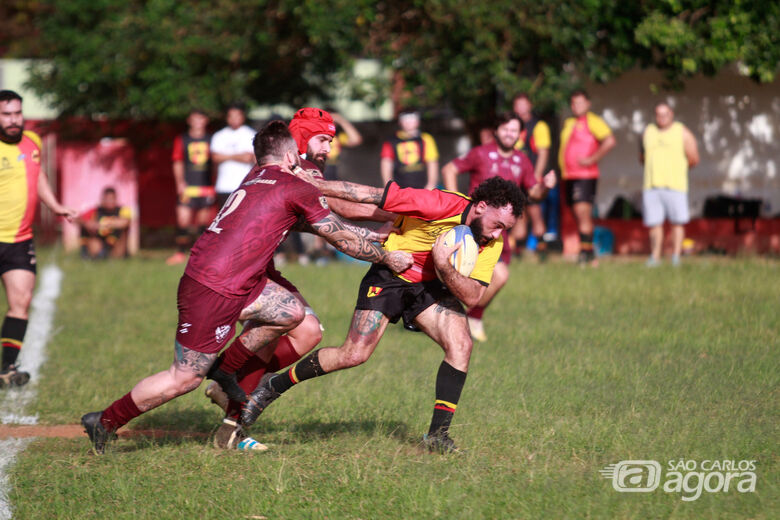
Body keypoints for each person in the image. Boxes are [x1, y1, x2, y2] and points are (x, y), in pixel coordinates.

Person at [81, 121, 412, 454]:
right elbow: (338, 235)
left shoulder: (254, 175)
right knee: (183, 378)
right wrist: (387, 258)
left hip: (235, 278)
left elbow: (326, 225)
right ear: (289, 154)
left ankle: (226, 373)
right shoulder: (294, 184)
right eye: (321, 142)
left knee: (292, 313)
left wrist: (372, 235)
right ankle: (105, 421)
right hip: (213, 287)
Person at [240, 174, 527, 454]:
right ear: (480, 207)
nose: (497, 234)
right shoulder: (439, 204)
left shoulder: (491, 243)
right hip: (390, 274)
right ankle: (274, 384)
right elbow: (372, 195)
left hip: (431, 285)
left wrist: (443, 263)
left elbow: (473, 297)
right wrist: (315, 184)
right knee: (353, 354)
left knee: (462, 344)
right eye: (497, 224)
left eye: (505, 229)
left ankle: (438, 435)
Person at [204, 108, 397, 448]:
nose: (328, 149)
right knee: (295, 332)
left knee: (298, 334)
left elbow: (327, 217)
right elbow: (345, 206)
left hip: (255, 266)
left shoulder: (292, 168)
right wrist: (408, 209)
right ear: (303, 139)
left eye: (331, 141)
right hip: (241, 270)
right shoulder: (299, 168)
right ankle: (229, 395)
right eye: (323, 140)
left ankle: (231, 416)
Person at [441, 112, 556, 342]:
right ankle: (453, 316)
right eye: (505, 129)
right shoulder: (481, 153)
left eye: (514, 130)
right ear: (496, 130)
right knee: (467, 274)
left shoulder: (522, 161)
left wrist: (545, 186)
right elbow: (449, 169)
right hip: (472, 230)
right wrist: (457, 204)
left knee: (496, 278)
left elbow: (533, 192)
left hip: (497, 235)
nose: (509, 134)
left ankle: (471, 315)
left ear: (520, 134)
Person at [0, 90, 77, 388]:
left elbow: (37, 175)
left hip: (19, 240)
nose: (13, 120)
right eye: (6, 114)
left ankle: (7, 368)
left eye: (17, 113)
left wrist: (55, 205)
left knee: (21, 301)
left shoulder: (32, 141)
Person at [558, 90, 616, 265]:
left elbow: (610, 141)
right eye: (574, 103)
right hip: (569, 175)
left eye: (581, 102)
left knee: (583, 213)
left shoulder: (594, 121)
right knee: (577, 214)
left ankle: (586, 253)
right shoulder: (569, 122)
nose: (577, 106)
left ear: (588, 104)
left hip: (585, 175)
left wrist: (592, 158)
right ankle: (588, 252)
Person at [640, 102, 700, 267]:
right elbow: (642, 157)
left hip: (675, 186)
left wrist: (676, 170)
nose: (662, 117)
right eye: (659, 114)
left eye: (665, 114)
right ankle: (655, 257)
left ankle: (676, 257)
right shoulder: (648, 132)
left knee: (677, 222)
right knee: (654, 224)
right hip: (651, 185)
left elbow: (694, 158)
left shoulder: (682, 132)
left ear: (671, 114)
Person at [166, 109, 215, 265]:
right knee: (183, 220)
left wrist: (214, 183)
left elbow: (215, 164)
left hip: (206, 186)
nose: (198, 122)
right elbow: (178, 161)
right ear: (189, 120)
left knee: (202, 223)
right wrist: (179, 182)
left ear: (205, 121)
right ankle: (180, 253)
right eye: (195, 119)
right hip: (188, 187)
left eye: (200, 119)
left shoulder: (212, 139)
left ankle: (200, 255)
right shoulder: (182, 139)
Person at [512, 93, 555, 260]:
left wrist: (536, 176)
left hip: (531, 179)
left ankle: (542, 250)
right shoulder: (514, 126)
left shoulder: (538, 126)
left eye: (524, 104)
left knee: (535, 212)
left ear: (529, 106)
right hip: (517, 179)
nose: (521, 108)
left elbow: (543, 153)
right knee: (519, 215)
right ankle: (517, 252)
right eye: (518, 105)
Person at [210, 103, 256, 208]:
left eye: (237, 115)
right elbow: (215, 157)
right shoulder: (219, 135)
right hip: (223, 186)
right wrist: (239, 156)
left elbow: (249, 158)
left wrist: (225, 156)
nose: (234, 119)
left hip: (243, 186)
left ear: (243, 117)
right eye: (231, 116)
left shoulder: (251, 134)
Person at [380, 109, 439, 189]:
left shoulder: (426, 139)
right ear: (400, 122)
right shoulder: (391, 141)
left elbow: (432, 162)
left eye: (412, 119)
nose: (409, 122)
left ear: (418, 121)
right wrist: (389, 187)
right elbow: (386, 164)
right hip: (400, 188)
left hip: (423, 188)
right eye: (405, 119)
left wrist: (431, 185)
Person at [77, 187, 132, 259]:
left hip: (116, 244)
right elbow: (79, 219)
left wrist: (102, 224)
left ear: (115, 199)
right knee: (84, 228)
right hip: (101, 242)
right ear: (102, 199)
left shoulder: (123, 210)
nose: (109, 201)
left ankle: (113, 255)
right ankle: (88, 254)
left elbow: (125, 222)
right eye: (107, 199)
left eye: (111, 199)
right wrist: (87, 224)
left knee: (122, 231)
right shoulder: (96, 210)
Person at [323, 110, 363, 181]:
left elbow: (356, 140)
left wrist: (341, 120)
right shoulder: (314, 137)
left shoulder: (338, 137)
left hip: (332, 173)